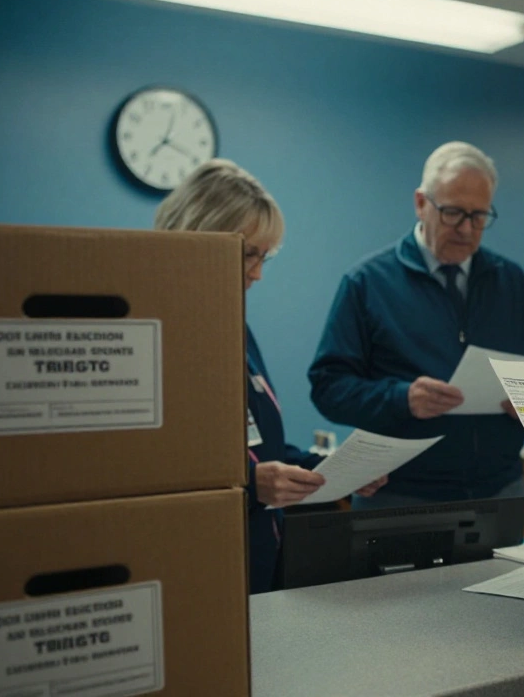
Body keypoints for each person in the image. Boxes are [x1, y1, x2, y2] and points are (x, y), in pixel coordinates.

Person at [154, 159, 386, 594]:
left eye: (266, 258)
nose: (258, 273)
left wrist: (327, 470)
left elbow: (260, 446)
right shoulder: (156, 328)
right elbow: (149, 459)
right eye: (249, 255)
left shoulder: (235, 327)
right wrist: (247, 483)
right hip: (196, 561)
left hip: (261, 557)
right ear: (200, 233)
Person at [309, 142, 524, 508]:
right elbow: (328, 388)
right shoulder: (367, 283)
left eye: (479, 216)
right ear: (421, 203)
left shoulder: (511, 281)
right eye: (453, 213)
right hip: (398, 495)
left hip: (498, 489)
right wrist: (401, 398)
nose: (466, 229)